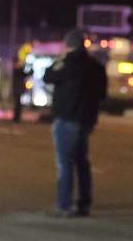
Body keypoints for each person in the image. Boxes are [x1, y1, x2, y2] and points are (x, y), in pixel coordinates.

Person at [43, 30, 106, 217]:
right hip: (86, 120)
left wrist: (60, 59)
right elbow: (102, 94)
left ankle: (64, 205)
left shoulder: (67, 64)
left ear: (68, 45)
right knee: (82, 162)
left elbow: (48, 76)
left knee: (65, 163)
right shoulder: (96, 66)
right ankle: (84, 204)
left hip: (66, 118)